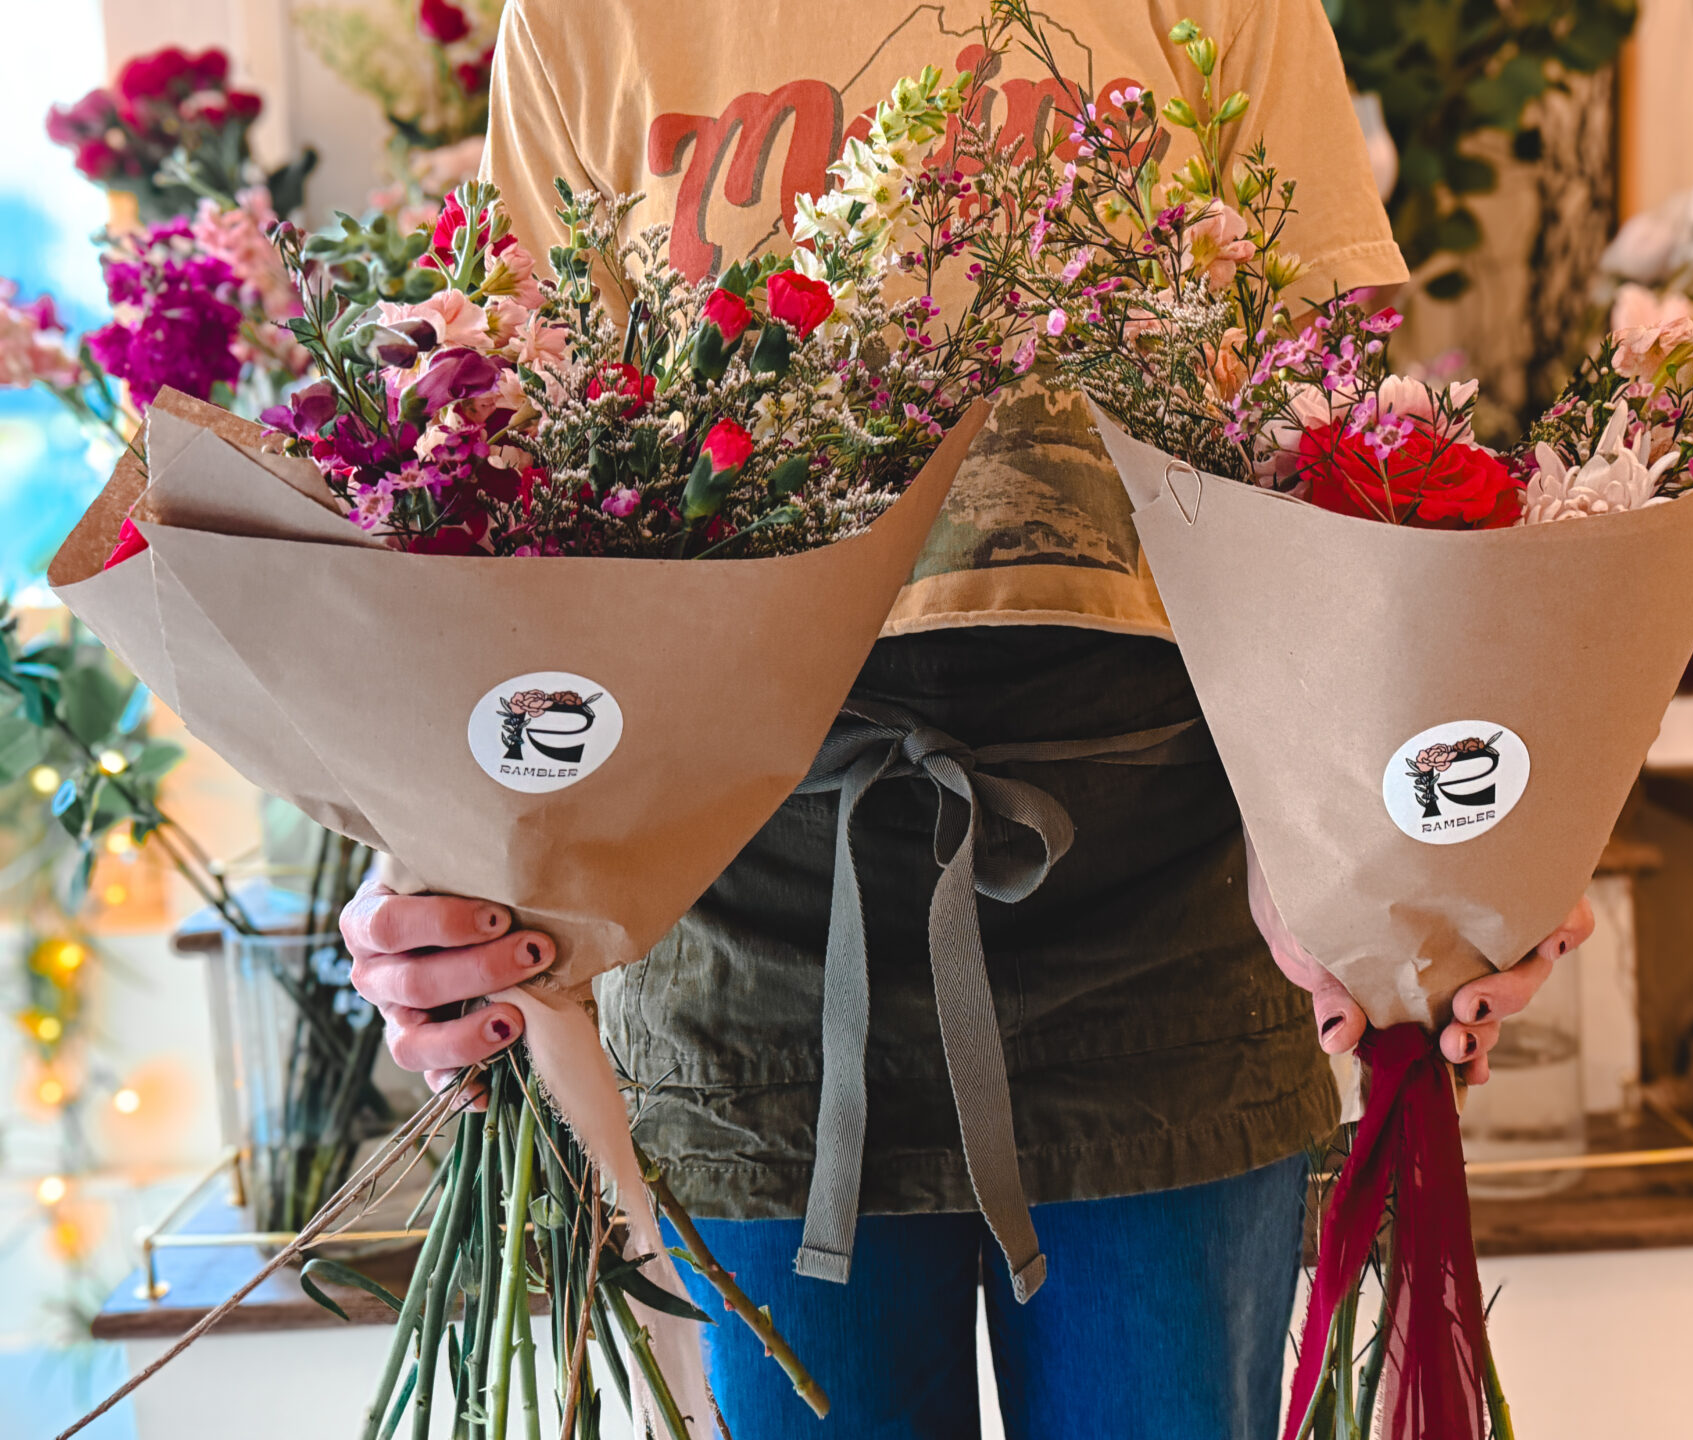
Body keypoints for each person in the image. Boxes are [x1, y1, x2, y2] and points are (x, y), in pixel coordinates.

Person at [342, 3, 1595, 1437]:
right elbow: (511, 480)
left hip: (1165, 915)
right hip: (747, 935)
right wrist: (442, 851)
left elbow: (1318, 445)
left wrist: (1410, 833)